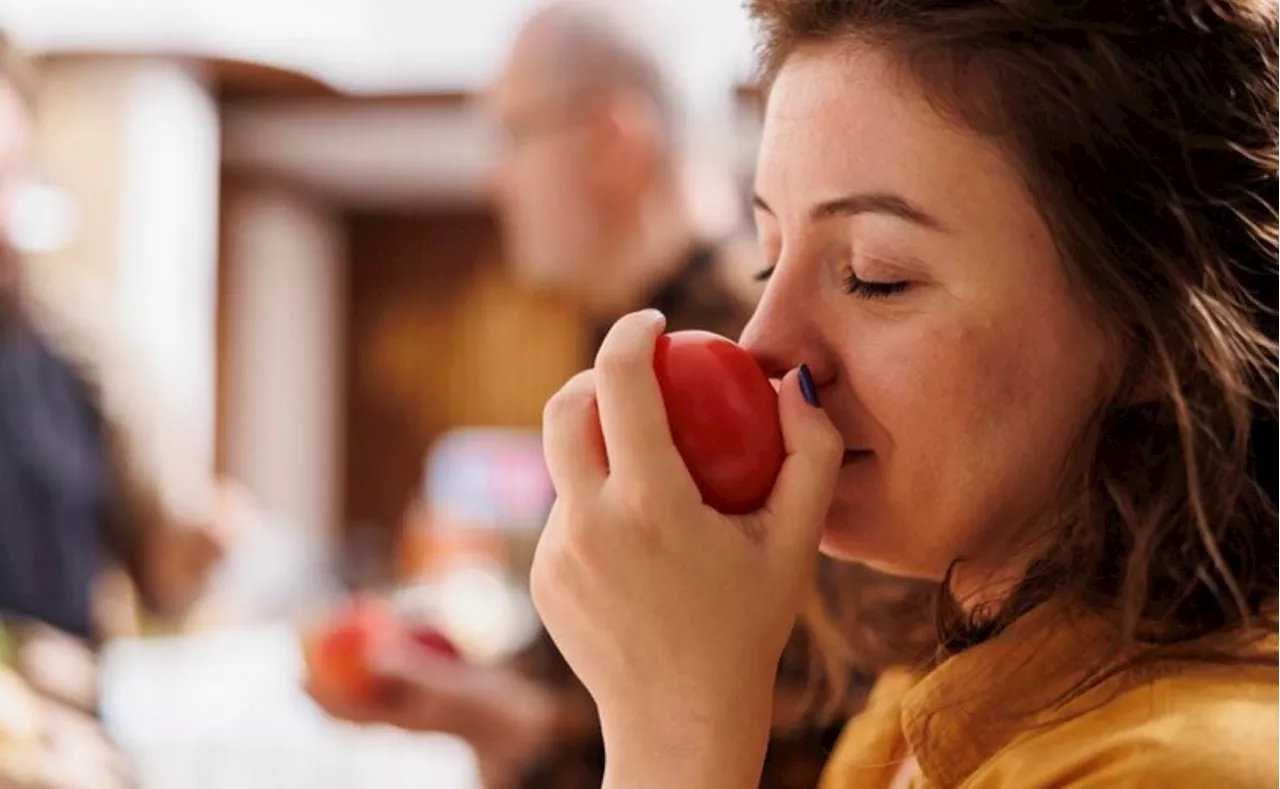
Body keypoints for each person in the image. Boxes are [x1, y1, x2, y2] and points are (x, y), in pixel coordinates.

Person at [529, 0, 1280, 787]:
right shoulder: (917, 703)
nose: (759, 349)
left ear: (1158, 335)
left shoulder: (1177, 769)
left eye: (875, 277)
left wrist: (673, 737)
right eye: (768, 258)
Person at [305, 3, 932, 787]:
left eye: (513, 135)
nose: (492, 176)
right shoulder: (634, 354)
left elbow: (818, 717)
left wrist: (521, 730)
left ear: (613, 142)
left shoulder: (754, 376)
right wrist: (485, 701)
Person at [0, 30, 232, 659]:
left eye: (9, 176)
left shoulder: (81, 352)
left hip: (52, 741)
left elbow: (158, 582)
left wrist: (192, 551)